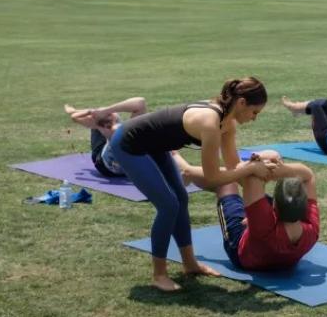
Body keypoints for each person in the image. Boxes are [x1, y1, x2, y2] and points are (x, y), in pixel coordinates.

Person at [108, 77, 272, 291]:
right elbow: (213, 177)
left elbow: (233, 165)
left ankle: (190, 264)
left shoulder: (228, 123)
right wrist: (250, 170)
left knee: (181, 199)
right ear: (241, 103)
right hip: (127, 142)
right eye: (255, 112)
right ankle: (159, 275)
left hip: (156, 144)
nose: (254, 118)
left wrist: (257, 171)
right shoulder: (210, 123)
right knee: (168, 206)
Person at [172, 151, 319, 272]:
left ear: (274, 208)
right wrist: (279, 168)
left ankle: (188, 171)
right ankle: (189, 172)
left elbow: (247, 173)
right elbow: (309, 175)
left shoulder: (264, 224)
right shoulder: (312, 229)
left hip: (242, 252)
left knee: (227, 183)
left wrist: (261, 164)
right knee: (261, 163)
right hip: (273, 248)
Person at [64, 97, 149, 177]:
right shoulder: (117, 129)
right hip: (117, 167)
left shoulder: (107, 127)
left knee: (99, 121)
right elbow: (140, 102)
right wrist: (104, 111)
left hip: (110, 165)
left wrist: (90, 111)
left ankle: (98, 114)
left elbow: (74, 117)